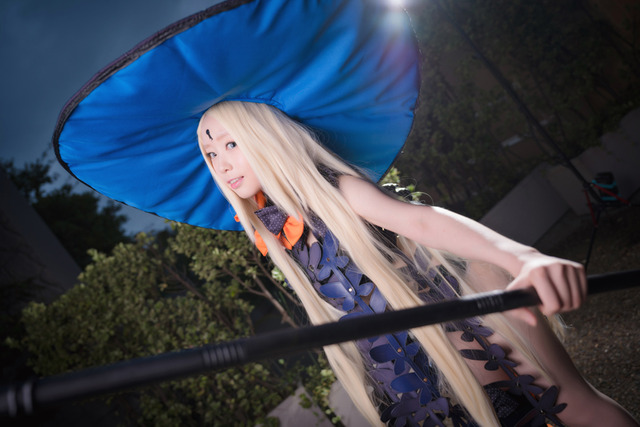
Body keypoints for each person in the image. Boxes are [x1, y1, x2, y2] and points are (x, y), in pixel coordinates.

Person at [197, 100, 638, 427]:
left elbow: (421, 221)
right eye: (211, 154)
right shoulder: (277, 232)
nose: (222, 163)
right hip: (407, 372)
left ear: (267, 138)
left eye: (231, 143)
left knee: (575, 407)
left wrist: (522, 256)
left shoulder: (339, 190)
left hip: (462, 325)